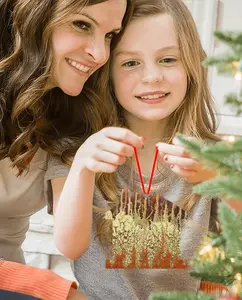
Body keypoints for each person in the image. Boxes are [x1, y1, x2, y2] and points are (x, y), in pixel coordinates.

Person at [46, 0, 221, 299]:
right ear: (108, 75)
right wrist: (83, 168)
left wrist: (220, 179)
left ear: (191, 65)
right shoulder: (76, 149)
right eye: (130, 63)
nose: (151, 76)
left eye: (168, 59)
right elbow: (69, 246)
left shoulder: (211, 155)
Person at [0, 0, 132, 298]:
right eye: (82, 25)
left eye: (110, 35)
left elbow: (75, 240)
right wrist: (55, 291)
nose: (100, 54)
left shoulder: (70, 114)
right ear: (32, 14)